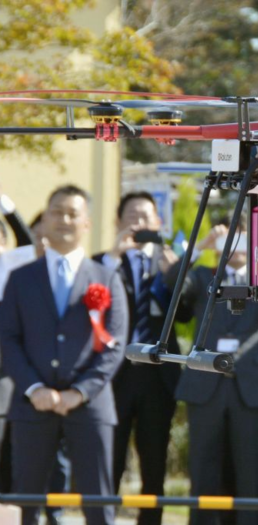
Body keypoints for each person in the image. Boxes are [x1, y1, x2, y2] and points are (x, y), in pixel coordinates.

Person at [0, 185, 128, 525]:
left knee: (98, 503)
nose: (64, 220)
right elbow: (7, 339)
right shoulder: (20, 279)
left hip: (90, 405)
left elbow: (113, 347)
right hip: (31, 405)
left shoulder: (106, 279)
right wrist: (33, 388)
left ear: (86, 222)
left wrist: (80, 391)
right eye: (56, 212)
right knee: (25, 502)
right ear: (44, 219)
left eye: (73, 213)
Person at [165, 222, 258, 525]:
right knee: (203, 470)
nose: (237, 248)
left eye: (243, 240)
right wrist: (201, 247)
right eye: (230, 240)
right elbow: (171, 282)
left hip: (253, 388)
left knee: (251, 473)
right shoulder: (205, 277)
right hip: (205, 386)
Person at [95, 191, 179, 525]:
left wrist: (174, 276)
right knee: (109, 459)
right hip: (114, 375)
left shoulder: (169, 264)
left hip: (157, 376)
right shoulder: (103, 261)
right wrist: (115, 256)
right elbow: (91, 304)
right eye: (132, 215)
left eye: (146, 216)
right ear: (118, 221)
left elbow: (186, 314)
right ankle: (103, 518)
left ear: (158, 222)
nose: (139, 223)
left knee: (154, 462)